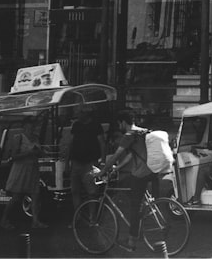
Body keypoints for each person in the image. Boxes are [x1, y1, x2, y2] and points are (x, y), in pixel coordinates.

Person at [103, 110, 154, 251]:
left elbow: (116, 155)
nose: (119, 126)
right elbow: (132, 154)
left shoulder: (129, 135)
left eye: (119, 124)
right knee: (134, 194)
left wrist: (103, 171)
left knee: (134, 206)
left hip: (141, 173)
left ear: (123, 122)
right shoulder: (142, 132)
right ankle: (143, 214)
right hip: (153, 170)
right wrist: (117, 168)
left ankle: (131, 242)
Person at [0, 118, 47, 230]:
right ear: (24, 128)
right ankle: (4, 219)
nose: (31, 130)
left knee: (35, 195)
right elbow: (14, 156)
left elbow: (39, 153)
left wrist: (39, 152)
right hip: (21, 169)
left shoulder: (35, 138)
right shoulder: (18, 138)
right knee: (16, 197)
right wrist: (29, 153)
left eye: (32, 127)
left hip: (33, 169)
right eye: (28, 128)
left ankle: (35, 221)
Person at [65, 105, 105, 223]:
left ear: (86, 113)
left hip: (90, 163)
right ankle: (78, 216)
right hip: (76, 162)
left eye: (80, 112)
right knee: (75, 191)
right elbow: (70, 144)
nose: (78, 115)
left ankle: (92, 217)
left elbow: (102, 143)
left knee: (92, 192)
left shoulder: (96, 126)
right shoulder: (76, 125)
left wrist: (102, 162)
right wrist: (67, 162)